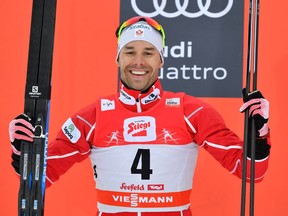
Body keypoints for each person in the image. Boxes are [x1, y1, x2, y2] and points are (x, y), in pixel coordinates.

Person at [9, 16, 271, 216]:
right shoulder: (91, 117)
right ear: (118, 58)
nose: (139, 62)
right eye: (130, 51)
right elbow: (41, 177)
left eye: (148, 52)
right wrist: (24, 151)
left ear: (161, 60)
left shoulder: (191, 111)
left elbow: (251, 173)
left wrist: (258, 136)